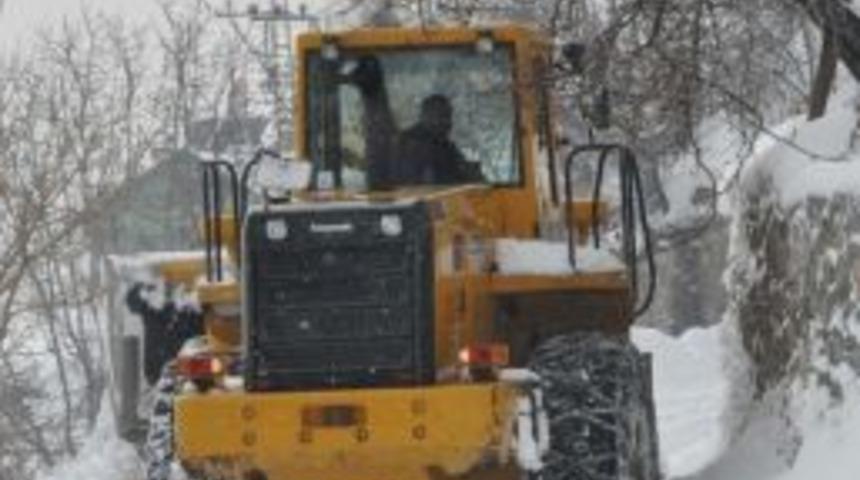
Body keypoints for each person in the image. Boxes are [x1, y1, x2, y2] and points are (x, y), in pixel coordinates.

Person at [393, 94, 484, 185]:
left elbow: (464, 172)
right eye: (441, 116)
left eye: (448, 116)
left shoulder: (444, 145)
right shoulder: (410, 144)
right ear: (425, 117)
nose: (447, 123)